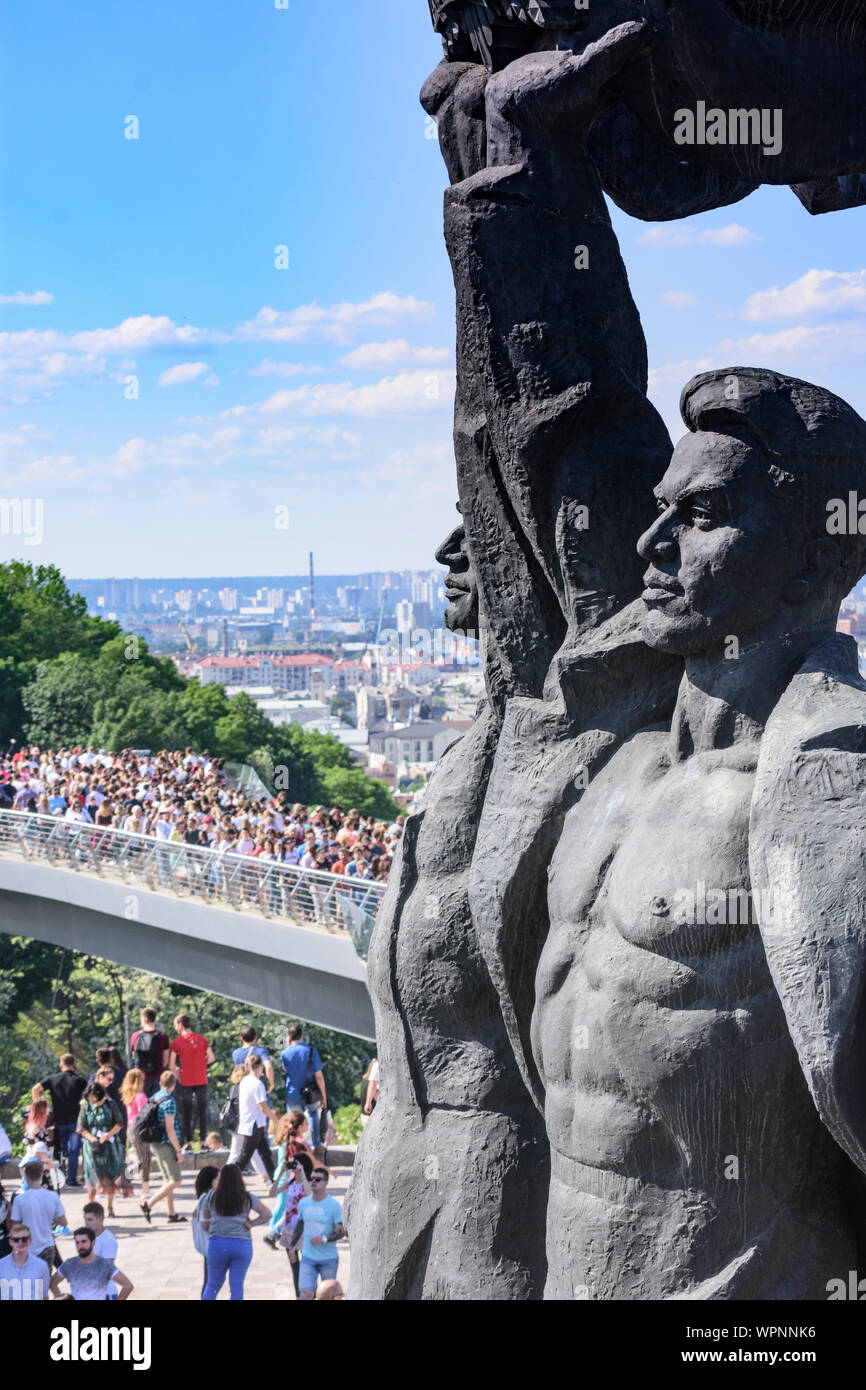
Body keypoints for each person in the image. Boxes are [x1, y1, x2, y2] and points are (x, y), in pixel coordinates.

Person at [200, 1163, 270, 1301]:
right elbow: (267, 1214)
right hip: (241, 1243)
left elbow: (205, 1219)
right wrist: (251, 1223)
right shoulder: (247, 1197)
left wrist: (216, 1221)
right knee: (237, 1286)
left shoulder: (211, 1196)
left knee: (212, 1284)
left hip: (217, 1244)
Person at [31, 1054, 86, 1187]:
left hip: (57, 1121)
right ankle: (72, 1179)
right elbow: (86, 1099)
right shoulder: (80, 1081)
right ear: (73, 1064)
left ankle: (57, 1178)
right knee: (73, 1151)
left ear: (61, 1065)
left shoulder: (53, 1079)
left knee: (57, 1150)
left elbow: (35, 1089)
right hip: (74, 1120)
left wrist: (39, 1107)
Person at [290, 1167, 344, 1301]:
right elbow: (299, 1226)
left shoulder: (334, 1205)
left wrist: (324, 1239)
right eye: (311, 1179)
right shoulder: (303, 1203)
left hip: (329, 1259)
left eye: (317, 1179)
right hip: (308, 1258)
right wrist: (292, 1248)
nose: (313, 1181)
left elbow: (340, 1232)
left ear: (326, 1182)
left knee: (329, 1296)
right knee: (305, 1295)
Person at [140, 1071, 186, 1224]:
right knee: (176, 1180)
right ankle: (148, 1204)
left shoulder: (155, 1097)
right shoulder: (169, 1102)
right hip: (166, 1144)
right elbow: (170, 1128)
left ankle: (171, 1214)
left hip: (155, 1143)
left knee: (167, 1179)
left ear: (160, 1083)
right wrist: (178, 1150)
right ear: (174, 1084)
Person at [76, 1081, 125, 1216]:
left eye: (94, 1098)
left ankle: (110, 1207)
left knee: (110, 1176)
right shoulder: (86, 1106)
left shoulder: (111, 1104)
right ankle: (91, 1207)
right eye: (89, 1098)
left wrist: (108, 1134)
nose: (92, 1100)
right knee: (91, 1176)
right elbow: (81, 1127)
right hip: (91, 1146)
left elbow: (120, 1122)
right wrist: (92, 1138)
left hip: (109, 1144)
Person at [51, 1226, 132, 1301]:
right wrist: (59, 1296)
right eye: (77, 1243)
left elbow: (127, 1286)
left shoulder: (103, 1265)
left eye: (84, 1242)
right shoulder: (70, 1264)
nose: (80, 1246)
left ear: (93, 1243)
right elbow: (53, 1283)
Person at [280, 1024, 327, 1154]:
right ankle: (317, 1145)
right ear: (301, 1036)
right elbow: (319, 1076)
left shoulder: (284, 1053)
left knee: (294, 1121)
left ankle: (295, 1146)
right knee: (313, 1116)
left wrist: (288, 1046)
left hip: (292, 1093)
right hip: (310, 1093)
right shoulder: (312, 1051)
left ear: (289, 1037)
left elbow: (285, 1069)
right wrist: (324, 1096)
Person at [11, 1162, 67, 1270]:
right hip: (47, 1245)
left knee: (29, 1282)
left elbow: (14, 1227)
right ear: (41, 1175)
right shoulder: (53, 1196)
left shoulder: (19, 1200)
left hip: (26, 1247)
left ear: (26, 1176)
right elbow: (64, 1222)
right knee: (44, 1280)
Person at [169, 1014, 214, 1150]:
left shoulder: (177, 1042)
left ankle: (188, 1143)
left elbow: (171, 1065)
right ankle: (204, 1142)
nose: (175, 1028)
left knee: (186, 1112)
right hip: (201, 1079)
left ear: (180, 1024)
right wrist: (201, 1064)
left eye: (176, 1025)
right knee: (202, 1111)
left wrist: (179, 1075)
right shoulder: (201, 1039)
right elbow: (211, 1057)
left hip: (186, 1081)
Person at [235, 1055, 276, 1180]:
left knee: (265, 1154)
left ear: (248, 1067)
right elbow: (263, 1107)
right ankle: (227, 1180)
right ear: (260, 1067)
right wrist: (276, 1120)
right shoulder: (258, 1084)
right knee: (243, 1158)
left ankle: (274, 1180)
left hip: (252, 1124)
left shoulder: (245, 1081)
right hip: (254, 1125)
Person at [120, 1068, 151, 1199]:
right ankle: (144, 1189)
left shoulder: (128, 1096)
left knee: (142, 1159)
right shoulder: (140, 1097)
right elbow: (144, 1114)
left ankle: (124, 1178)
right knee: (145, 1159)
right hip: (140, 1128)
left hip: (131, 1128)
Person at [0, 1223, 51, 1299]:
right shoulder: (1, 1265)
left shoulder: (41, 1266)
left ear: (30, 1241)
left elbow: (44, 1296)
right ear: (10, 1242)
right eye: (16, 1240)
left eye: (24, 1239)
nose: (20, 1243)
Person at [129, 1008, 171, 1098]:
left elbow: (134, 1055)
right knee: (157, 1104)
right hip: (158, 1076)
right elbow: (166, 1059)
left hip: (140, 1077)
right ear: (155, 1019)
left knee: (143, 1106)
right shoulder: (163, 1036)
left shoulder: (135, 1036)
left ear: (144, 1019)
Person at [192, 1165, 220, 1296]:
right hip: (212, 1246)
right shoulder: (208, 1198)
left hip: (208, 1246)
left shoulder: (203, 1197)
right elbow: (204, 1224)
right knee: (211, 1282)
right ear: (210, 1182)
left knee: (210, 1281)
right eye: (219, 1179)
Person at [83, 1201, 120, 1299]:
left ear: (100, 1219)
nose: (86, 1223)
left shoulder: (108, 1240)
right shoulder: (89, 1238)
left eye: (90, 1219)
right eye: (85, 1219)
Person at [232, 1024, 275, 1093]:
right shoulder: (261, 1051)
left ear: (241, 1038)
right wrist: (271, 1084)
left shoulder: (235, 1053)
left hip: (242, 1089)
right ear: (255, 1037)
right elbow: (268, 1067)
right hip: (257, 1088)